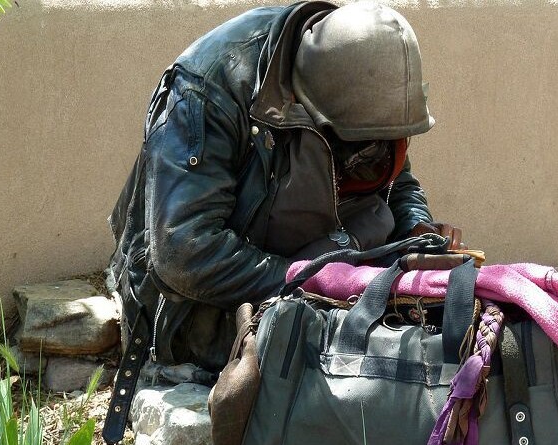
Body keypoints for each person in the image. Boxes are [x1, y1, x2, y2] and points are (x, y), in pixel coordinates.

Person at [107, 0, 461, 375]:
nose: (373, 152)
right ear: (311, 110)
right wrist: (311, 281)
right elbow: (184, 253)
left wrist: (417, 229)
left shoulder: (361, 75)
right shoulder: (211, 88)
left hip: (318, 278)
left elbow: (396, 179)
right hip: (204, 306)